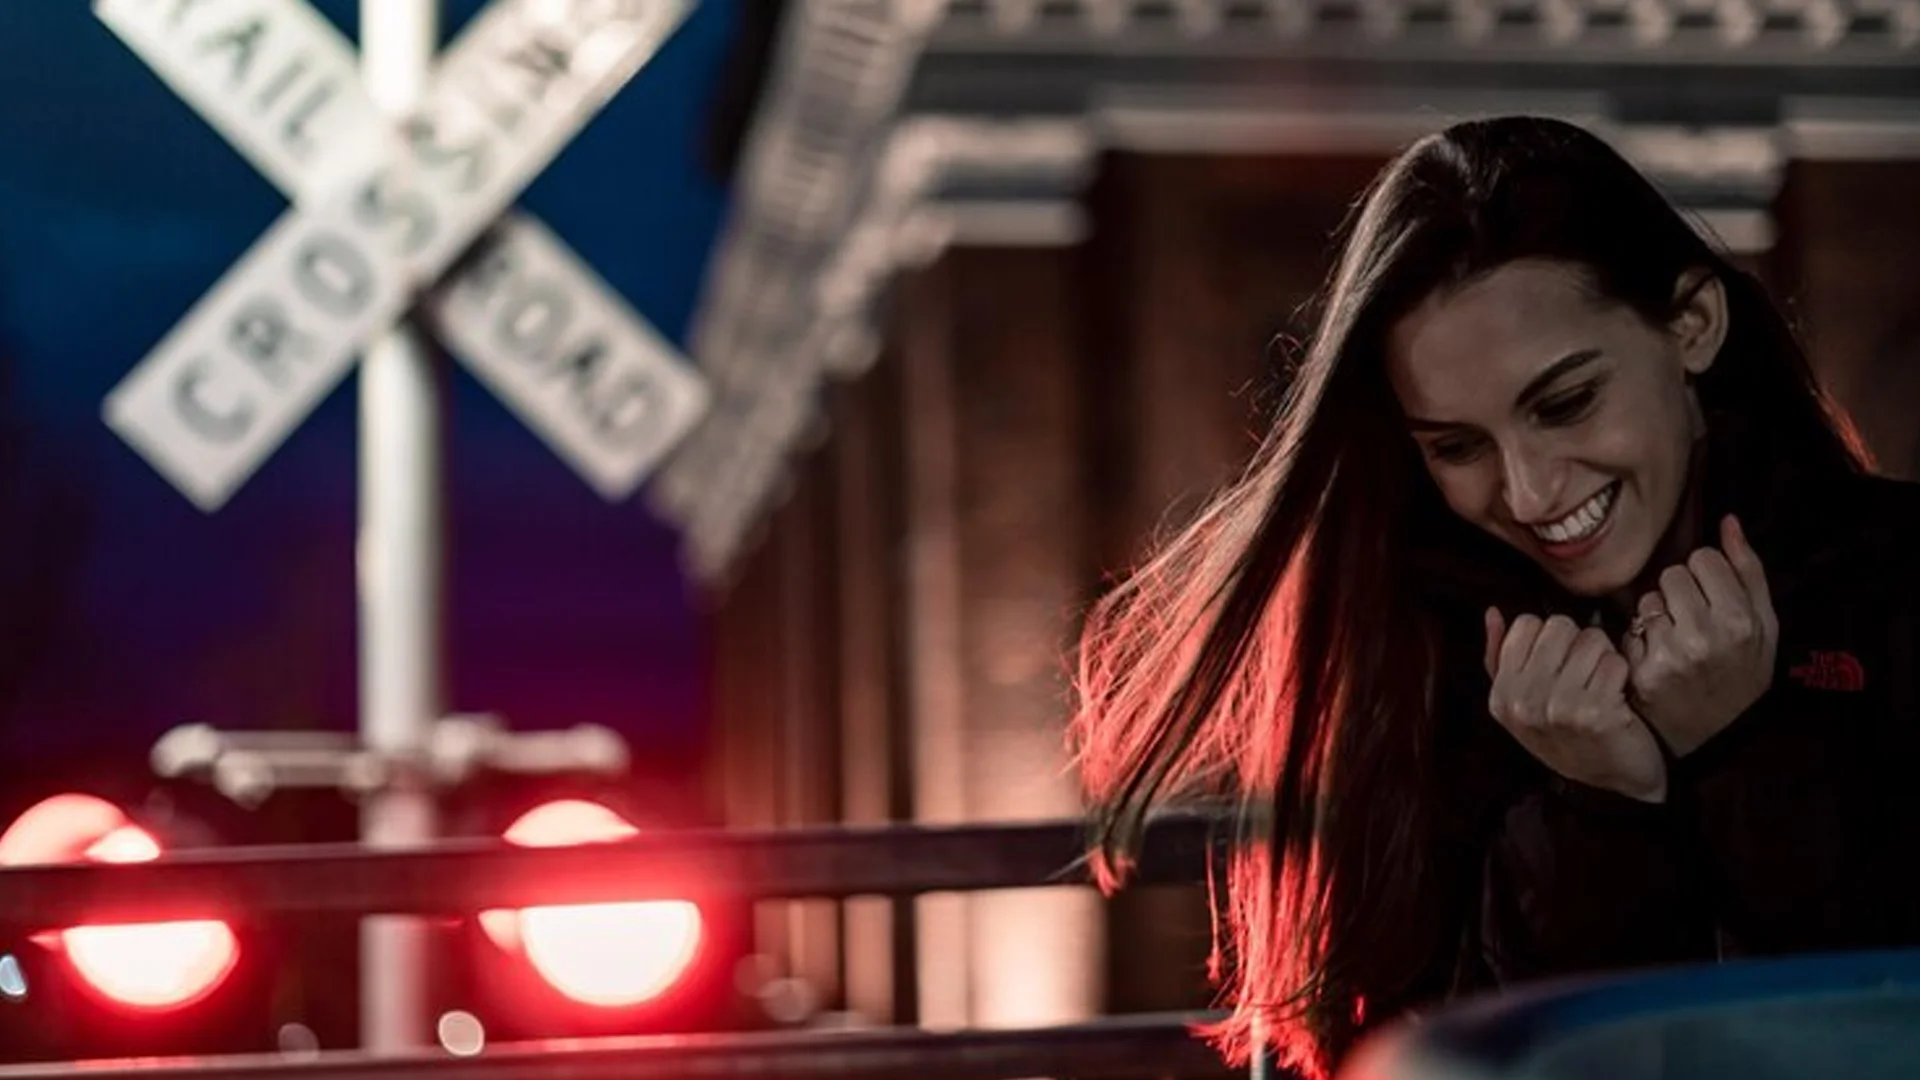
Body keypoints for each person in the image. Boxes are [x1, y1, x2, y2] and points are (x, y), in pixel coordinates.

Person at [1071, 114, 1920, 1079]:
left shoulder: (1895, 577)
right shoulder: (1412, 651)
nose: (1528, 493)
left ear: (1693, 324)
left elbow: (1871, 1024)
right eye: (1457, 448)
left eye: (1565, 403)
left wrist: (1742, 754)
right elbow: (1398, 1048)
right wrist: (1597, 808)